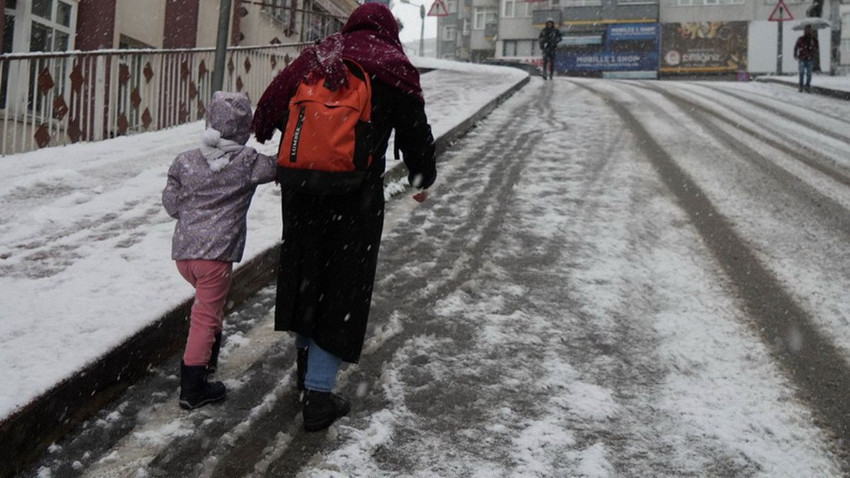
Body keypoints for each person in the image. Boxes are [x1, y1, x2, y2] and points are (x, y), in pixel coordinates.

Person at [251, 3, 437, 432]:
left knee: (305, 276)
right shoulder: (392, 65)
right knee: (342, 288)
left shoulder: (319, 55)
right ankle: (317, 395)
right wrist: (422, 175)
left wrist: (315, 142)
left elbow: (274, 110)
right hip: (355, 197)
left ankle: (305, 373)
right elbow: (415, 132)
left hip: (301, 192)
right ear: (388, 30)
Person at [162, 91, 277, 410]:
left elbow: (171, 203)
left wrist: (194, 210)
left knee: (207, 308)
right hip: (215, 257)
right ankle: (193, 386)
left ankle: (207, 357)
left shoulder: (185, 160)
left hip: (184, 254)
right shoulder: (248, 161)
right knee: (205, 314)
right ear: (245, 127)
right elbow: (279, 167)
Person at [793, 25, 819, 93]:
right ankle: (801, 86)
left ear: (811, 31)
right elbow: (796, 47)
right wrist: (795, 55)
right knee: (801, 73)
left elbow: (816, 49)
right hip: (802, 58)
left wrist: (813, 45)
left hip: (810, 59)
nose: (807, 31)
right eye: (806, 30)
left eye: (809, 30)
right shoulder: (801, 39)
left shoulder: (814, 40)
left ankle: (807, 86)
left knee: (809, 74)